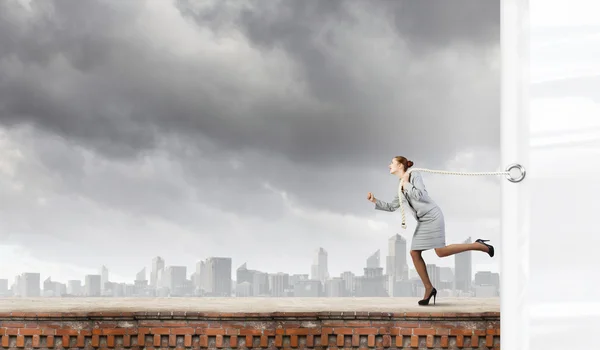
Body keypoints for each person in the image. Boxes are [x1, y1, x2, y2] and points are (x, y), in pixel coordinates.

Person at [367, 156, 494, 306]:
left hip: (433, 216)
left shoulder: (414, 176)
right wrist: (375, 201)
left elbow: (421, 196)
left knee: (440, 252)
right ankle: (429, 288)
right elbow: (392, 206)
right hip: (423, 220)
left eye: (392, 163)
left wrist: (407, 183)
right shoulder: (399, 185)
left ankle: (478, 245)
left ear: (401, 165)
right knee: (415, 253)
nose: (389, 165)